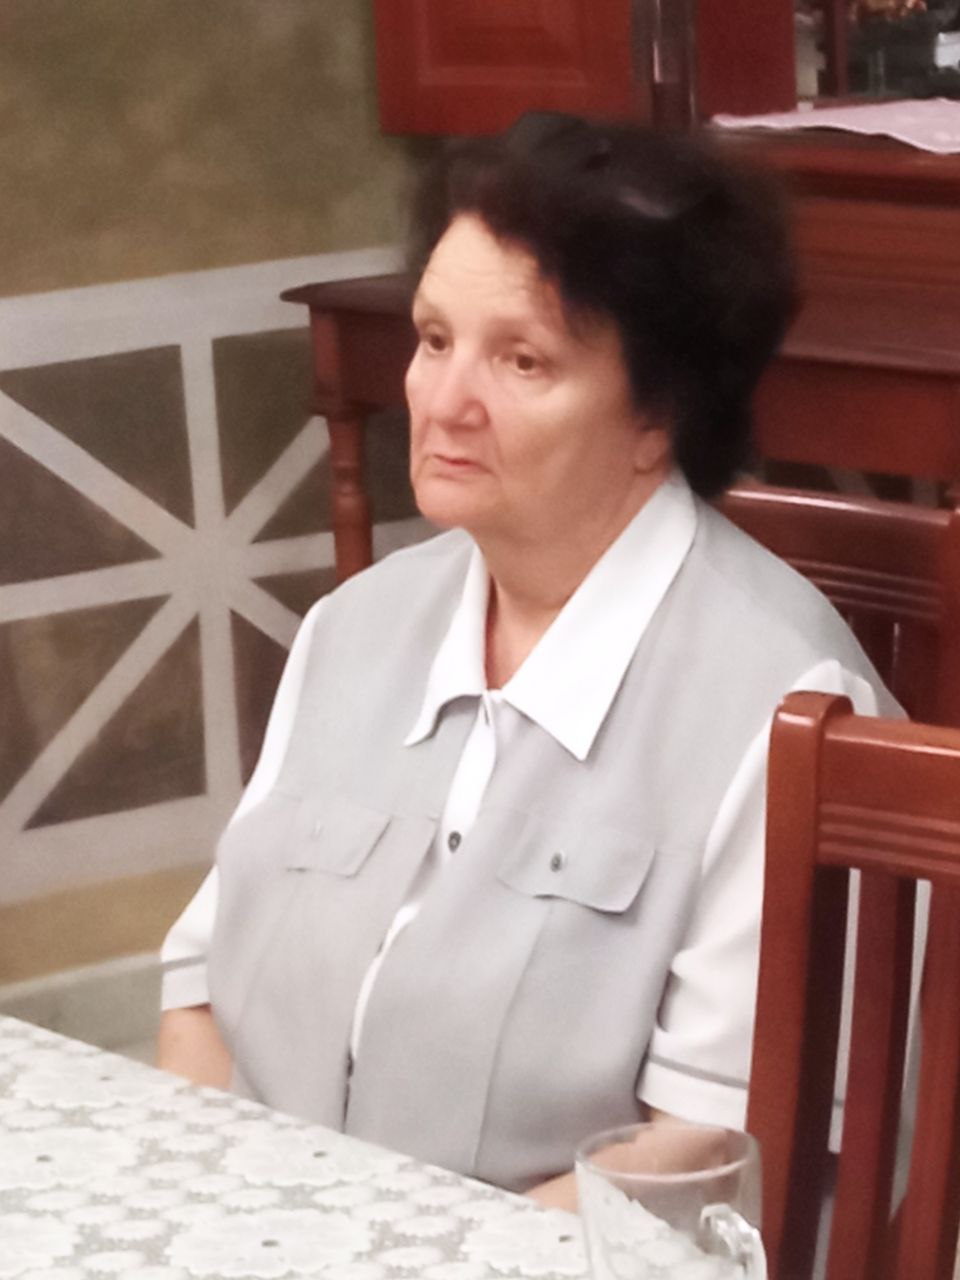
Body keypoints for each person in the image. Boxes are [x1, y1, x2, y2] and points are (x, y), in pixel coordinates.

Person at [157, 113, 897, 1207]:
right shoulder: (352, 628)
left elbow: (705, 1156)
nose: (445, 400)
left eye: (522, 359)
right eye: (434, 338)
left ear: (659, 414)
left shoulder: (783, 707)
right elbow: (199, 992)